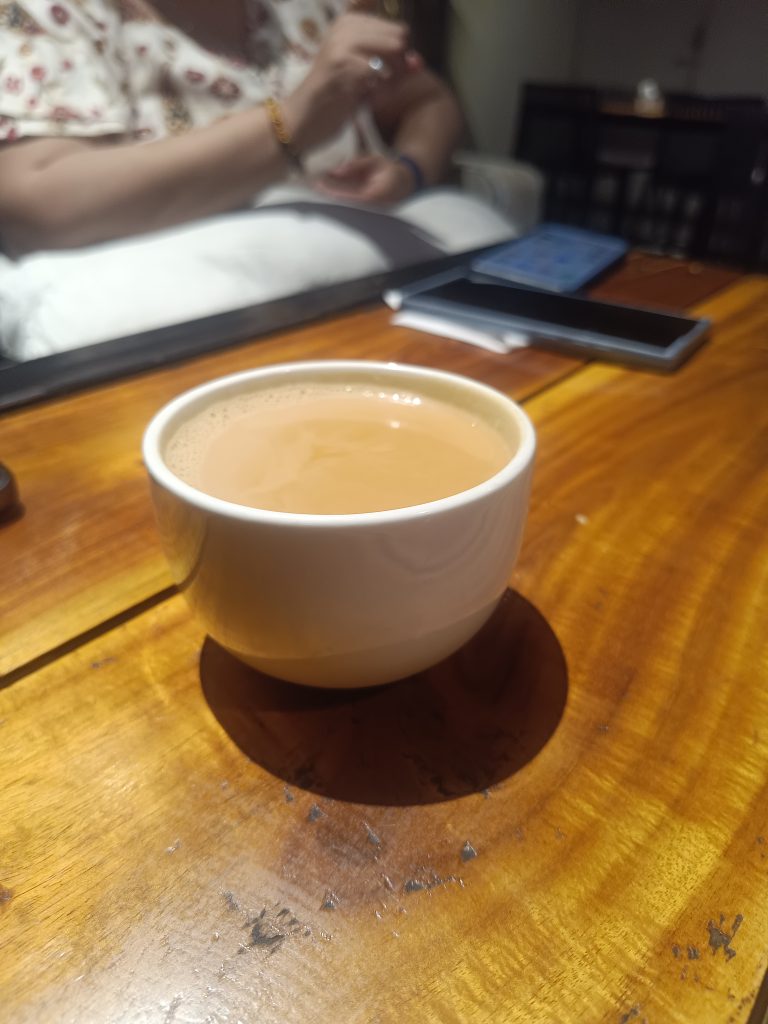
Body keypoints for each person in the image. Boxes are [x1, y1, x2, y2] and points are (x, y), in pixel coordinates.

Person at [0, 0, 464, 256]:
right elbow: (36, 204)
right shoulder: (55, 12)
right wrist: (294, 122)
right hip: (183, 338)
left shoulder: (315, 9)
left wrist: (408, 171)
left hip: (366, 291)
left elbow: (429, 100)